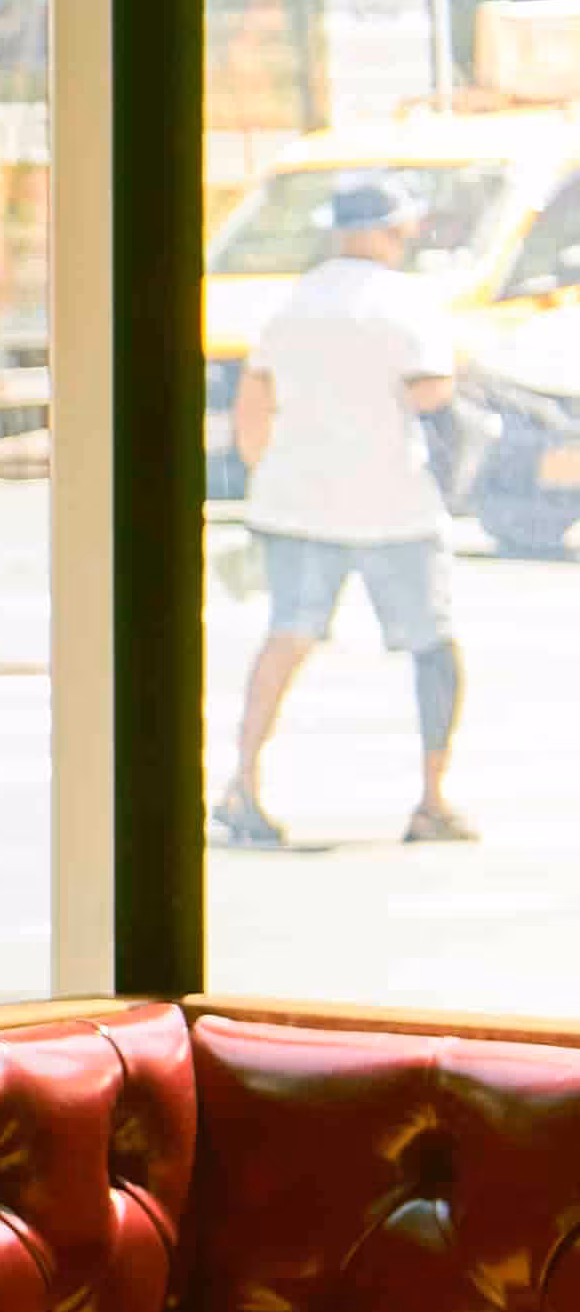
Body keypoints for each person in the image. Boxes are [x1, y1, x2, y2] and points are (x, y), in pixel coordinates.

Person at [218, 170, 471, 855]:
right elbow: (431, 394)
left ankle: (244, 782)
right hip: (395, 504)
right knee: (432, 645)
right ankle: (431, 799)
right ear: (386, 232)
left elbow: (253, 406)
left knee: (286, 637)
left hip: (298, 501)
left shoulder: (291, 304)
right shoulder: (405, 304)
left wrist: (264, 477)